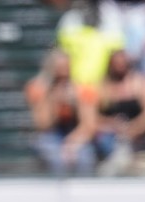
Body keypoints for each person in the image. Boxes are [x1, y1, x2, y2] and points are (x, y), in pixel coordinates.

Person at [24, 48, 98, 176]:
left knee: (85, 158)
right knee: (56, 159)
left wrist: (72, 143)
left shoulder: (82, 90)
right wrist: (53, 101)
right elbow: (43, 124)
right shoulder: (40, 89)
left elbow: (89, 125)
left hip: (75, 135)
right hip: (51, 136)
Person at [94, 48, 145, 175]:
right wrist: (111, 123)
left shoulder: (140, 83)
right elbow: (94, 116)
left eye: (122, 63)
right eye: (116, 63)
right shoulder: (102, 86)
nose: (120, 67)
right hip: (110, 136)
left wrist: (133, 129)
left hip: (138, 135)